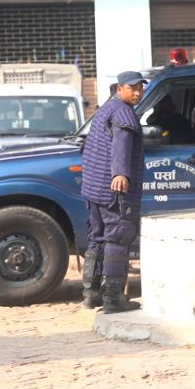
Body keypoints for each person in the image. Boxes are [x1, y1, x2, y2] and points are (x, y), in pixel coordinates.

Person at [80, 70, 148, 313]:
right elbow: (121, 145)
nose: (138, 92)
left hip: (94, 188)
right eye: (132, 88)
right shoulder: (123, 113)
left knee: (97, 238)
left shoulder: (105, 109)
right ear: (120, 88)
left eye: (140, 87)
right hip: (113, 190)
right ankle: (113, 298)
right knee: (118, 237)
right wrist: (121, 173)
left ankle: (91, 293)